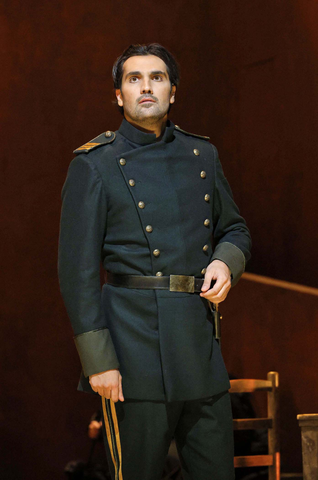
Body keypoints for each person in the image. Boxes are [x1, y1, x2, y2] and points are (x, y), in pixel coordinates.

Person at [58, 43, 251, 480]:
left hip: (199, 348)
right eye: (134, 78)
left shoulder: (203, 155)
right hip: (131, 356)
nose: (147, 86)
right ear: (119, 95)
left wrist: (225, 263)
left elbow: (235, 230)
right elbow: (78, 272)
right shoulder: (95, 164)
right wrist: (99, 362)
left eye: (157, 77)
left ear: (173, 91)